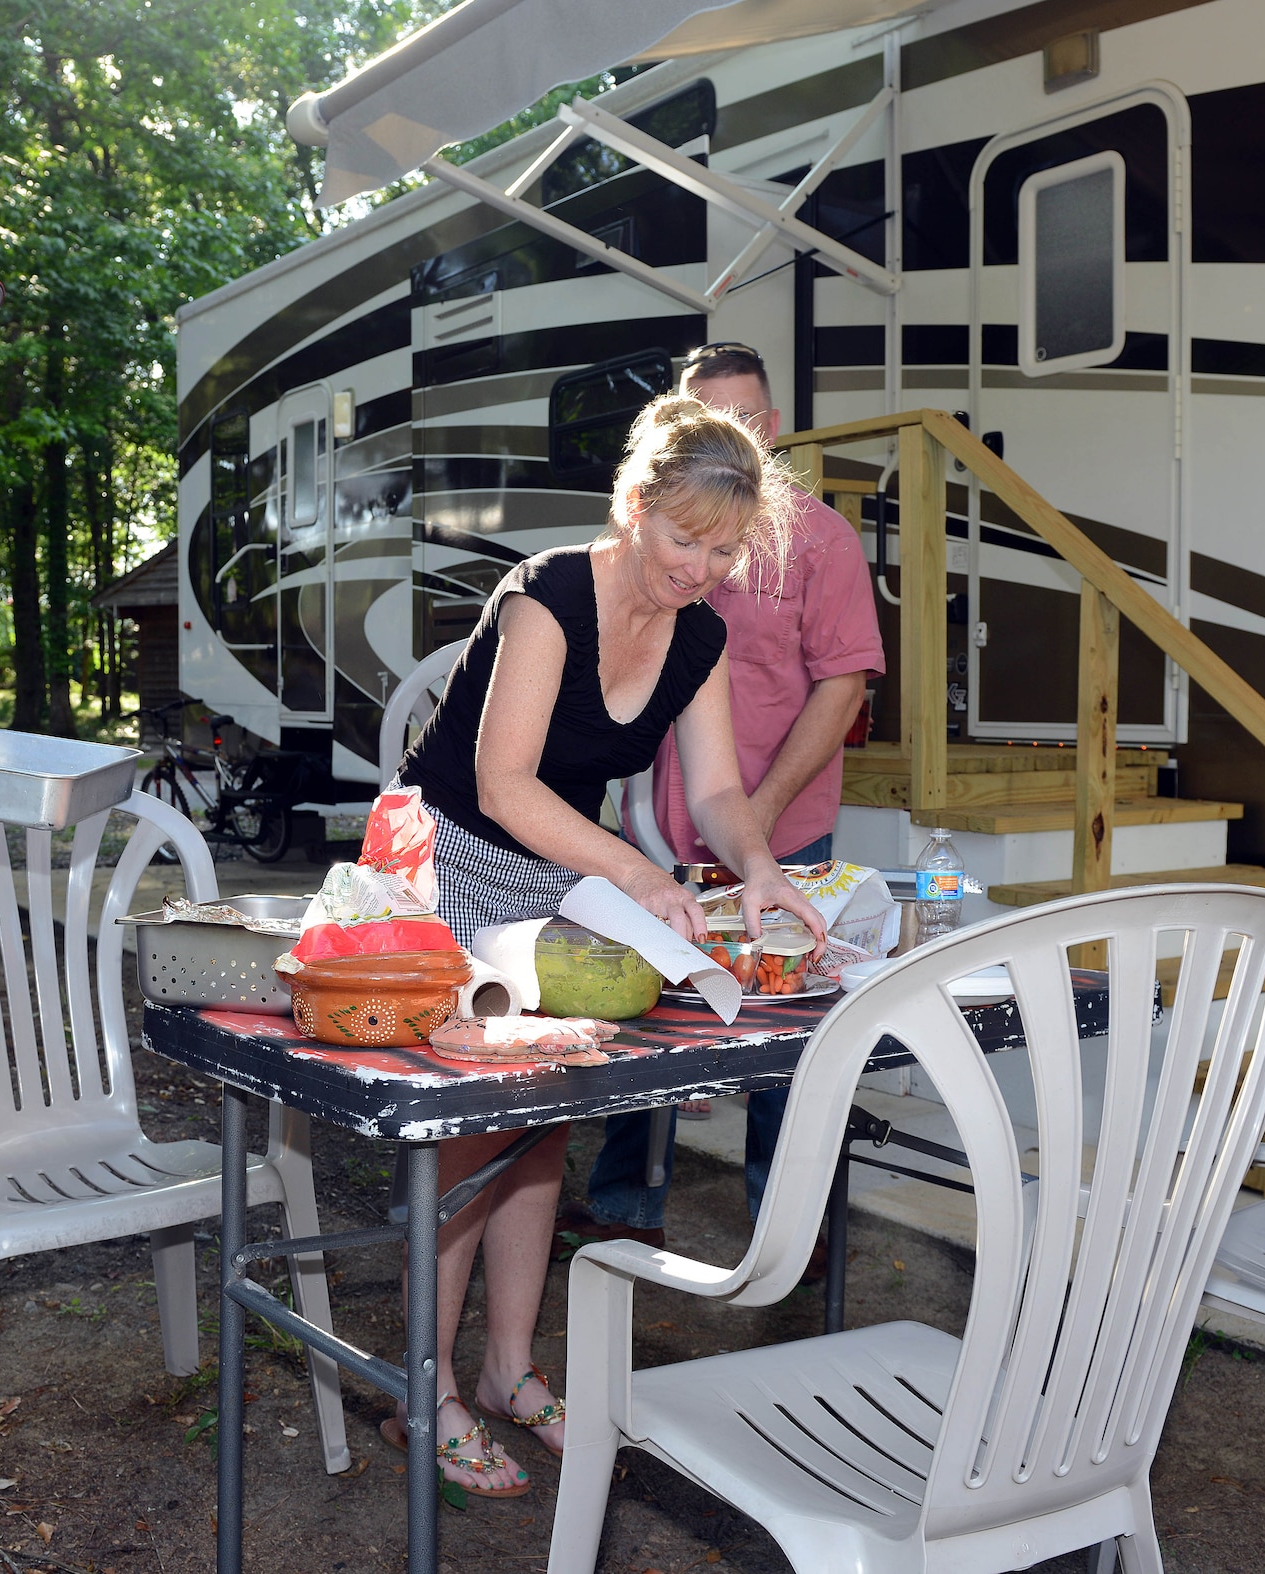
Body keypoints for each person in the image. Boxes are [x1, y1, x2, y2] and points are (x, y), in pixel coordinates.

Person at [386, 393, 826, 1498]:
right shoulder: (546, 593)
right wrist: (633, 871)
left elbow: (718, 787)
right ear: (632, 507)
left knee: (542, 1122)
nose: (699, 566)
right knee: (469, 1127)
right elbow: (499, 783)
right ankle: (421, 1386)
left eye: (724, 551)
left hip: (553, 868)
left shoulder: (700, 633)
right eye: (684, 538)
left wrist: (759, 866)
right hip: (442, 857)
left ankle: (505, 1370)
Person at [569, 341, 886, 1254]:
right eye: (711, 419)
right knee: (645, 1014)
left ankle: (790, 1229)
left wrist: (765, 814)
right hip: (652, 826)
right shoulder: (640, 542)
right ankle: (625, 1204)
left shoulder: (820, 538)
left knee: (791, 1037)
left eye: (746, 421)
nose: (731, 441)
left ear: (774, 430)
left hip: (776, 824)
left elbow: (843, 683)